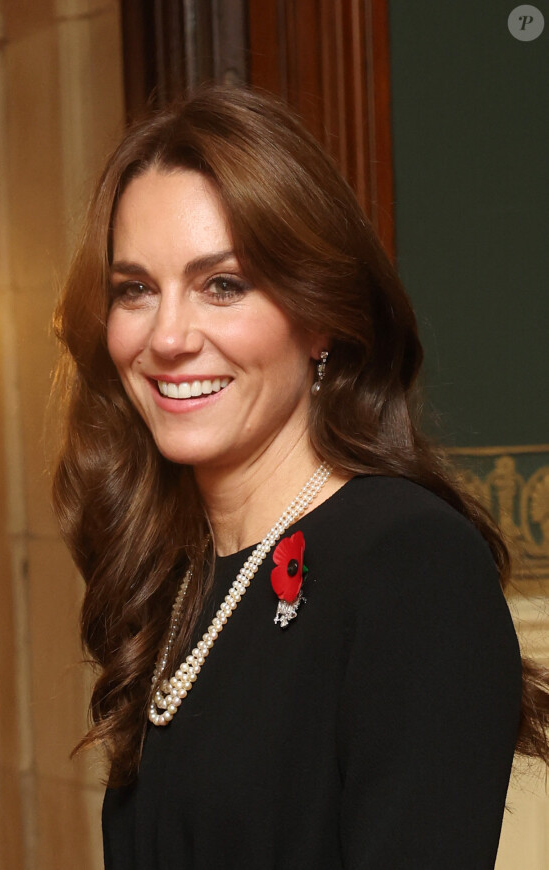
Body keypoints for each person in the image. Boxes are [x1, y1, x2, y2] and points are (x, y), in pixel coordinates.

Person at [51, 86, 549, 869]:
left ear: (319, 318)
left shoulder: (411, 565)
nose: (170, 337)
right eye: (136, 289)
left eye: (223, 284)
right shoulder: (175, 581)